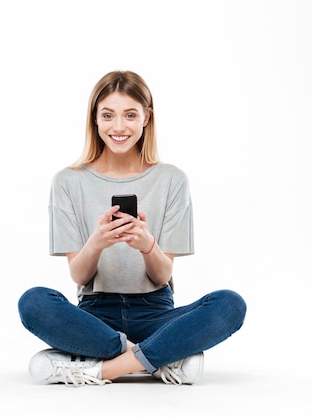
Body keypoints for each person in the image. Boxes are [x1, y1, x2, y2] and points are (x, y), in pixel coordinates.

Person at [18, 70, 246, 387]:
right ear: (95, 120)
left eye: (130, 115)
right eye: (108, 115)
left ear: (146, 118)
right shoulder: (68, 181)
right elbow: (79, 277)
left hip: (157, 313)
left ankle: (102, 368)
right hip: (96, 315)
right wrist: (96, 244)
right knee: (33, 302)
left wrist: (147, 245)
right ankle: (159, 357)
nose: (119, 127)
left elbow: (162, 276)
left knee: (230, 304)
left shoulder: (172, 179)